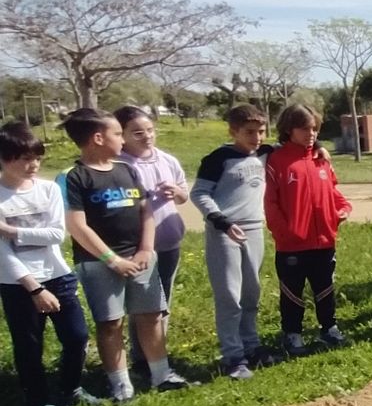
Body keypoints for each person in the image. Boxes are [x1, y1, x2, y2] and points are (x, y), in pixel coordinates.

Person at [60, 108, 169, 402]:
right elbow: (77, 226)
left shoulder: (127, 169)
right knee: (111, 323)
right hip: (99, 263)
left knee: (150, 316)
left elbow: (146, 211)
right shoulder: (74, 176)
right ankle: (121, 384)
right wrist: (113, 260)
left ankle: (162, 374)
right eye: (118, 133)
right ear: (98, 137)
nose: (122, 139)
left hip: (141, 258)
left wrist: (146, 248)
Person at [0, 122, 93, 406]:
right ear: (4, 158)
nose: (33, 165)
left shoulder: (49, 189)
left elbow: (56, 234)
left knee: (77, 337)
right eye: (24, 158)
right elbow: (2, 253)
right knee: (29, 346)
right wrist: (33, 287)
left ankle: (71, 388)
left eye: (37, 157)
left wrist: (11, 230)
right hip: (18, 283)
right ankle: (40, 404)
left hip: (58, 275)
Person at [193, 104, 277, 380]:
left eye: (261, 131)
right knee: (230, 295)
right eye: (250, 132)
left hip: (254, 230)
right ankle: (233, 355)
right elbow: (200, 193)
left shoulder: (265, 153)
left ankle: (251, 346)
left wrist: (321, 150)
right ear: (233, 131)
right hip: (225, 232)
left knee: (251, 292)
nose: (257, 137)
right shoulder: (219, 158)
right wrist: (221, 221)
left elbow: (295, 147)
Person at [264, 104, 352, 356]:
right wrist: (285, 233)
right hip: (291, 245)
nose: (310, 134)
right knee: (292, 292)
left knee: (325, 288)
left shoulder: (321, 160)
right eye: (304, 128)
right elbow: (270, 203)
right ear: (288, 129)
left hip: (324, 241)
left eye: (314, 128)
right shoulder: (277, 161)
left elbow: (333, 192)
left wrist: (342, 209)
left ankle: (330, 329)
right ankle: (293, 335)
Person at [113, 106, 188, 379]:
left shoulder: (167, 160)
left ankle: (158, 354)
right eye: (138, 133)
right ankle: (141, 358)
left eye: (150, 131)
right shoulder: (119, 165)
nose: (146, 137)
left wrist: (177, 192)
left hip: (168, 240)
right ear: (121, 135)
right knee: (142, 305)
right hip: (136, 245)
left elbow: (184, 196)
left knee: (162, 300)